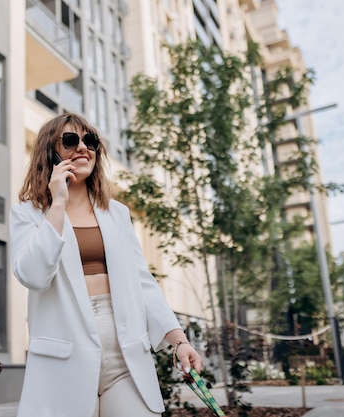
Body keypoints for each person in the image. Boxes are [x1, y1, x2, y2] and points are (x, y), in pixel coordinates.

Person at [10, 113, 203, 417]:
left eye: (90, 141)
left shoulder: (117, 213)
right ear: (51, 151)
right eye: (71, 140)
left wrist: (178, 340)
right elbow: (33, 276)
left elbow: (142, 282)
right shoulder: (28, 214)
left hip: (125, 356)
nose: (83, 148)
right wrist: (57, 204)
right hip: (64, 361)